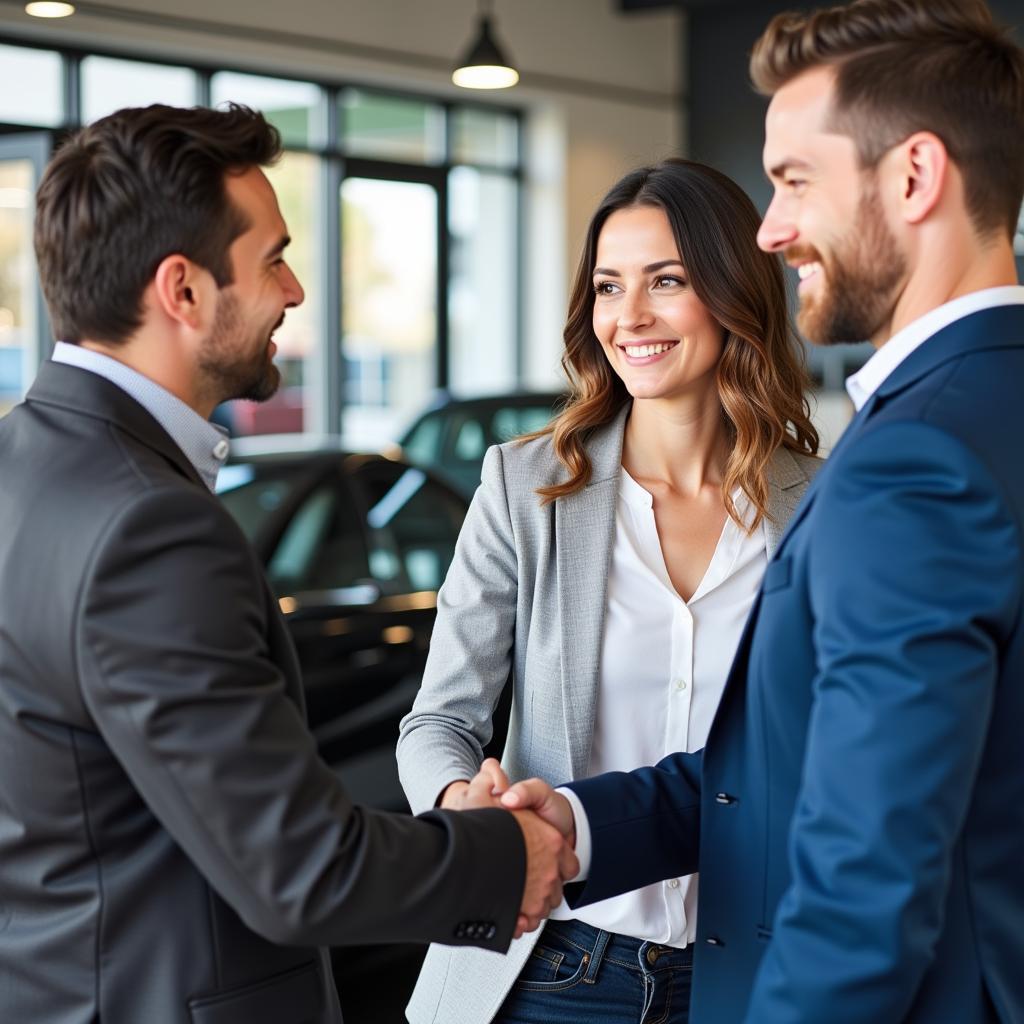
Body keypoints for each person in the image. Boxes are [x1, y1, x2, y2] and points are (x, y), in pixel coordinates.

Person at [498, 1, 1024, 1021]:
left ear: (913, 176)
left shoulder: (914, 459)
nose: (772, 230)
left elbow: (866, 874)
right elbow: (802, 765)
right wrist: (578, 821)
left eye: (792, 181)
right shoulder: (983, 410)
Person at [0, 103, 576, 1024]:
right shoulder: (150, 529)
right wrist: (509, 855)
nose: (297, 291)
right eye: (272, 258)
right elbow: (302, 869)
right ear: (181, 291)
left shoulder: (20, 465)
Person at [396, 158, 820, 1024]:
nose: (630, 317)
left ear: (734, 290)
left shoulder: (819, 503)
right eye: (607, 287)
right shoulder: (527, 487)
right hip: (550, 970)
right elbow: (438, 720)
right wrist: (465, 811)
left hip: (757, 978)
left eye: (666, 281)